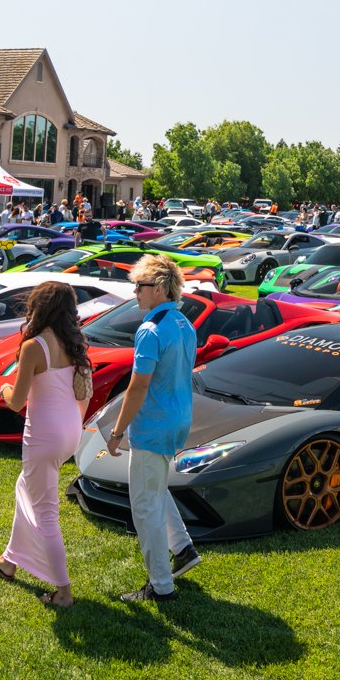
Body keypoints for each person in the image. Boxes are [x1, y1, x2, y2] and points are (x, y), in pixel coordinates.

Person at [0, 281, 92, 605]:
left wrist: (2, 389)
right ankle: (8, 562)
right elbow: (84, 391)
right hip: (70, 432)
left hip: (44, 437)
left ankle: (64, 593)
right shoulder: (76, 343)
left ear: (39, 307)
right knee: (25, 488)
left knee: (46, 513)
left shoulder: (34, 346)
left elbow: (16, 402)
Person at [103, 255, 199, 603]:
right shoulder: (184, 323)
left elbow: (138, 386)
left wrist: (116, 432)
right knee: (156, 489)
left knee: (145, 505)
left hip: (155, 425)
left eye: (139, 286)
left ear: (158, 289)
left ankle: (161, 585)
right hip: (178, 420)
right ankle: (183, 548)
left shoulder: (150, 329)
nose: (135, 293)